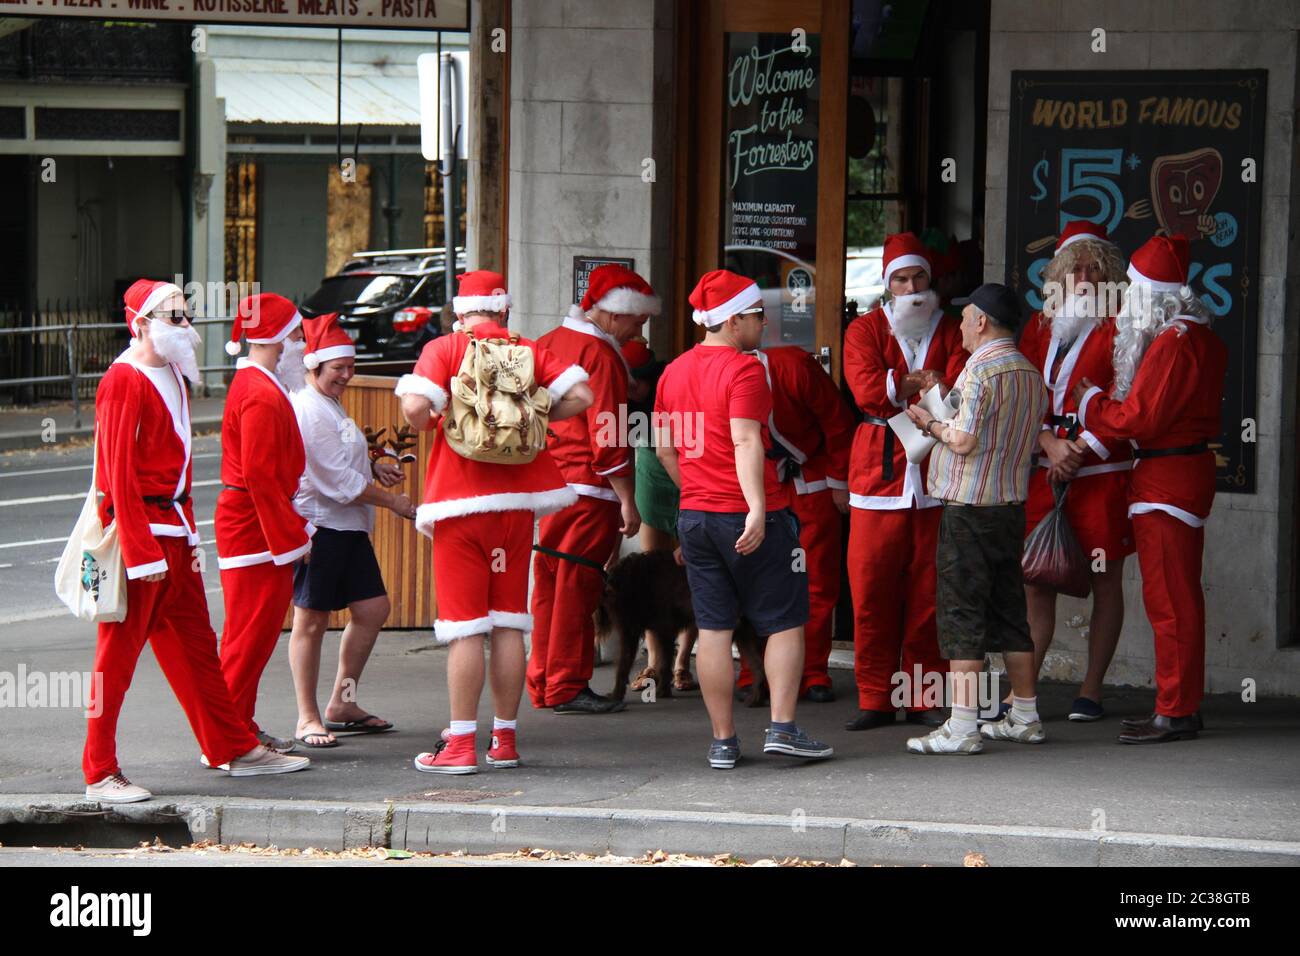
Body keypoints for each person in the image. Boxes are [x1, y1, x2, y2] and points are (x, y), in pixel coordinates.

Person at [82, 279, 309, 802]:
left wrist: (185, 541)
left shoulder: (176, 376)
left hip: (176, 540)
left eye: (186, 316)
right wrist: (140, 554)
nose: (187, 327)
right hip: (143, 544)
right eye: (174, 317)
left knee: (199, 652)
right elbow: (115, 476)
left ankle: (232, 745)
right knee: (114, 661)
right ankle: (99, 771)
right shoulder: (124, 381)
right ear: (139, 324)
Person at [396, 270, 594, 774]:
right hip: (517, 506)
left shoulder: (445, 348)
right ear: (503, 310)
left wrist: (443, 418)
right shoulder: (525, 348)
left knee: (465, 628)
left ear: (460, 312)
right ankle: (504, 740)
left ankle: (460, 744)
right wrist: (531, 413)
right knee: (509, 623)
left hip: (460, 505)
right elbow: (582, 397)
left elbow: (416, 408)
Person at [655, 268, 833, 769]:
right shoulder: (745, 369)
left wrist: (695, 492)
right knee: (784, 621)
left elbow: (666, 449)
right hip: (755, 515)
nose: (764, 323)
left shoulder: (673, 371)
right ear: (734, 320)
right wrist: (756, 506)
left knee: (713, 628)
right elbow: (746, 439)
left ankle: (723, 741)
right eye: (758, 315)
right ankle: (782, 728)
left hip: (696, 516)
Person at [1071, 234, 1227, 744]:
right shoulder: (1198, 335)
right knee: (1178, 596)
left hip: (1167, 480)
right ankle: (1179, 704)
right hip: (1176, 474)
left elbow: (1140, 417)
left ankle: (1175, 710)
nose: (1126, 306)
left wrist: (1092, 401)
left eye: (1133, 293)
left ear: (1152, 296)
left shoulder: (1174, 341)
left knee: (1169, 599)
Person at [903, 283, 1049, 755]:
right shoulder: (1030, 373)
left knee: (961, 612)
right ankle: (1025, 715)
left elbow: (963, 441)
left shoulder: (981, 370)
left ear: (982, 321)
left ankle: (963, 726)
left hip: (969, 508)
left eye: (965, 317)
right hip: (1010, 507)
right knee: (1010, 611)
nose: (961, 326)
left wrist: (929, 423)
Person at [842, 233, 968, 730]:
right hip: (877, 473)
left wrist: (908, 385)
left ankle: (921, 696)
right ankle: (874, 696)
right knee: (871, 590)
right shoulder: (864, 330)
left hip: (938, 473)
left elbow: (959, 389)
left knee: (929, 592)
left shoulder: (955, 327)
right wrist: (919, 381)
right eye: (901, 279)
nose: (912, 287)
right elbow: (869, 393)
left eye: (918, 278)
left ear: (930, 281)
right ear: (887, 283)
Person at [1014, 221, 1134, 722]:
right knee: (1036, 580)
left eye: (1095, 268)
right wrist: (1045, 441)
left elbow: (1131, 400)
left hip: (1101, 475)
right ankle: (1023, 694)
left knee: (1105, 579)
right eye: (1075, 268)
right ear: (1057, 275)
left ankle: (1091, 689)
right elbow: (1020, 395)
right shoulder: (1039, 328)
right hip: (1047, 471)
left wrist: (1079, 448)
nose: (1084, 277)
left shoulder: (1124, 326)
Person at [527, 266, 659, 714]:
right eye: (637, 319)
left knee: (549, 582)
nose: (639, 329)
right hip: (587, 488)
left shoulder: (548, 341)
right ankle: (566, 683)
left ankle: (543, 680)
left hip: (549, 481)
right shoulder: (599, 354)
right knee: (577, 586)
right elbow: (609, 437)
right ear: (615, 313)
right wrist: (628, 499)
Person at [287, 313, 417, 748]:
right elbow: (335, 482)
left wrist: (375, 463)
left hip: (348, 527)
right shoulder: (308, 408)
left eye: (349, 365)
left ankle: (341, 703)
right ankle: (307, 717)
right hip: (321, 527)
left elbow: (346, 459)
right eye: (338, 367)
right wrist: (395, 503)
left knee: (373, 609)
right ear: (314, 365)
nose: (346, 374)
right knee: (311, 620)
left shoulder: (330, 404)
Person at [215, 292, 314, 755]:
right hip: (253, 526)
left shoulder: (260, 384)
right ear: (276, 338)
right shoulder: (258, 390)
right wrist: (290, 537)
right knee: (248, 638)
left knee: (252, 637)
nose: (301, 344)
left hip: (255, 522)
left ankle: (239, 728)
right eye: (296, 334)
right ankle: (228, 737)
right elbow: (258, 474)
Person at [736, 345, 856, 702]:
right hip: (752, 484)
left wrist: (839, 480)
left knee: (816, 582)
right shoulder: (706, 369)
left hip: (810, 484)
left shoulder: (794, 365)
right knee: (755, 583)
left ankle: (813, 672)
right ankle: (752, 672)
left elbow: (837, 421)